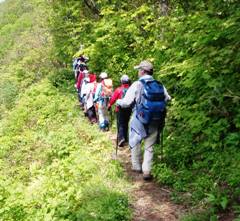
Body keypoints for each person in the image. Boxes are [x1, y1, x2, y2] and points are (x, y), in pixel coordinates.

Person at [116, 60, 171, 180]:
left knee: (135, 141)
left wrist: (118, 101)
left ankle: (136, 166)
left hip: (139, 118)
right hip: (155, 119)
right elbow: (167, 98)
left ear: (142, 71)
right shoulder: (159, 84)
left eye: (139, 70)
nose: (138, 73)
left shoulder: (137, 84)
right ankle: (147, 170)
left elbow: (126, 103)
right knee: (149, 146)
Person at [108, 75, 132, 147]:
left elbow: (113, 99)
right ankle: (126, 139)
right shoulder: (131, 89)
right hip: (128, 108)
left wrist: (109, 105)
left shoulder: (119, 90)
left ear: (121, 81)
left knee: (120, 123)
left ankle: (121, 138)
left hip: (119, 109)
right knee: (126, 123)